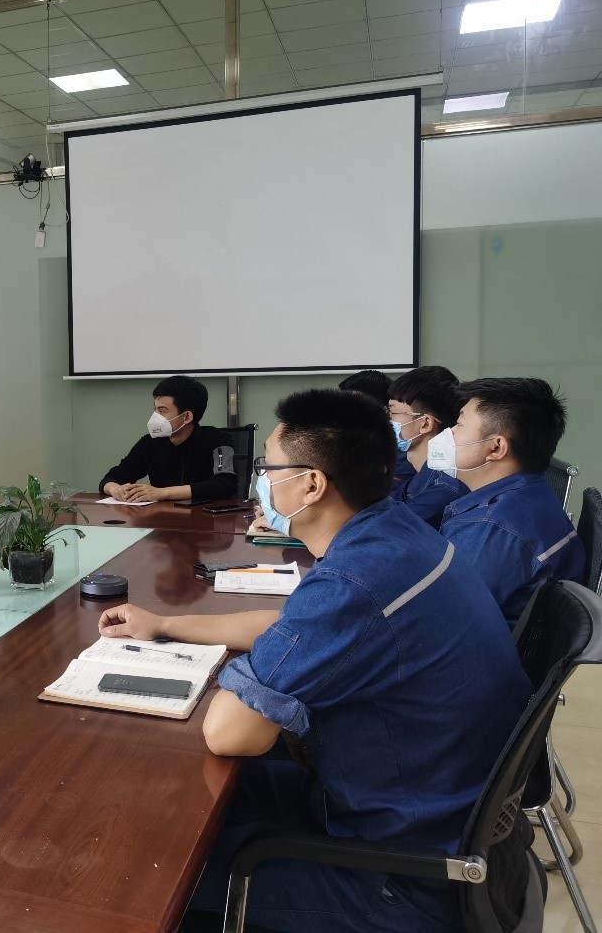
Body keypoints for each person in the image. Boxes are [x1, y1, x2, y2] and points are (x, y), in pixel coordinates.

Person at [99, 388, 530, 932]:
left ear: (311, 484)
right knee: (168, 800)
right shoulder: (392, 533)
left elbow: (232, 733)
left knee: (137, 874)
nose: (260, 481)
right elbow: (290, 624)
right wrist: (164, 625)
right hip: (421, 813)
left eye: (268, 469)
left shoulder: (355, 581)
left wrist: (250, 674)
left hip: (399, 877)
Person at [437, 377, 585, 630]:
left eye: (459, 425)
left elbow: (443, 622)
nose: (448, 434)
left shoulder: (490, 529)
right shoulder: (535, 493)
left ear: (496, 448)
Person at [99, 375, 237, 503]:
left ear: (187, 417)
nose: (155, 417)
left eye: (162, 411)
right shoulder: (149, 443)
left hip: (203, 517)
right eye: (155, 410)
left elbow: (225, 484)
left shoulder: (219, 440)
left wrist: (162, 493)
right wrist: (116, 489)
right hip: (162, 517)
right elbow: (111, 478)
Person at [387, 366, 466, 527]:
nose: (387, 421)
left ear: (425, 423)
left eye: (392, 413)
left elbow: (392, 529)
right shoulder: (422, 476)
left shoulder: (443, 489)